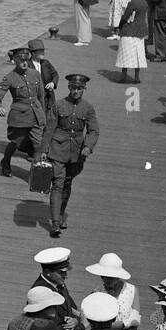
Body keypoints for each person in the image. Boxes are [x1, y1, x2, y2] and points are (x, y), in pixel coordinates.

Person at [39, 73, 98, 237]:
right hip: (57, 151)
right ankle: (55, 223)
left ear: (84, 89)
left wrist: (88, 146)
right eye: (73, 88)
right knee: (57, 185)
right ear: (69, 87)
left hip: (77, 154)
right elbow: (49, 129)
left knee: (67, 183)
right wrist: (44, 150)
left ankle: (59, 215)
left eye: (79, 88)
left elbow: (94, 130)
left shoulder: (88, 108)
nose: (76, 91)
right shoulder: (58, 105)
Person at [0, 46, 46, 178]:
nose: (25, 63)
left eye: (26, 59)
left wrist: (43, 115)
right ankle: (5, 162)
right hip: (19, 118)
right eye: (21, 60)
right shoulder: (10, 78)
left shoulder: (35, 74)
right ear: (15, 60)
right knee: (16, 142)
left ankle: (34, 175)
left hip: (36, 115)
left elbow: (41, 97)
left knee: (38, 145)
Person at [115, 0, 149, 83]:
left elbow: (125, 17)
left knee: (125, 54)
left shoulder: (132, 3)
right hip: (140, 32)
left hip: (129, 31)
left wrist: (119, 26)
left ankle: (123, 76)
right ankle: (137, 77)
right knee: (138, 55)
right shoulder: (144, 2)